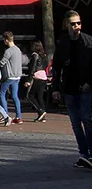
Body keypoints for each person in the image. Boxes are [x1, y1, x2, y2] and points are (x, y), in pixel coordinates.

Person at [51, 10, 92, 169]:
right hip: (69, 88)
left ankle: (91, 153)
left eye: (79, 23)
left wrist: (90, 82)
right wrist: (55, 88)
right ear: (66, 25)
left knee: (87, 119)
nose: (77, 26)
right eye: (73, 24)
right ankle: (84, 154)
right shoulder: (62, 43)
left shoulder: (88, 41)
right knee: (75, 123)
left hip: (85, 87)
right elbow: (57, 67)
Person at [0, 31, 23, 124]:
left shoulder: (8, 51)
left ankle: (5, 115)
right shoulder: (18, 50)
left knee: (2, 93)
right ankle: (18, 116)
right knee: (15, 96)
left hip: (9, 76)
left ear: (6, 40)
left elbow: (2, 62)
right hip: (17, 76)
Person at [24, 40, 48, 123]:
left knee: (29, 95)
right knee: (40, 96)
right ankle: (43, 116)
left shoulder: (35, 55)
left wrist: (29, 80)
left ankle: (40, 111)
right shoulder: (44, 55)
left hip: (37, 76)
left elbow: (32, 68)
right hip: (43, 76)